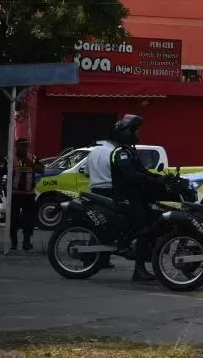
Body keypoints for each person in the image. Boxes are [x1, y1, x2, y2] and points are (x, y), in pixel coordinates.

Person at [109, 115, 164, 282]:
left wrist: (161, 179)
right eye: (134, 130)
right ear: (125, 133)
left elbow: (143, 172)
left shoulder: (130, 151)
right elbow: (132, 176)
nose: (137, 133)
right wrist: (151, 180)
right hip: (126, 198)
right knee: (144, 229)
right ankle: (138, 270)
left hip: (136, 196)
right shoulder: (120, 153)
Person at [85, 140, 116, 269]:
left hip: (94, 191)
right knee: (109, 225)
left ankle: (95, 258)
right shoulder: (113, 153)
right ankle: (99, 258)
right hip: (109, 191)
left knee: (97, 223)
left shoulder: (92, 153)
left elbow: (86, 172)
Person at [9, 138, 42, 252]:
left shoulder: (32, 158)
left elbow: (41, 170)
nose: (24, 148)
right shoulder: (10, 158)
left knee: (29, 220)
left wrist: (30, 163)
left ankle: (26, 243)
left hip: (29, 195)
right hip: (15, 195)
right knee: (13, 220)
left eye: (26, 146)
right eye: (22, 146)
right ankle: (14, 243)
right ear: (16, 147)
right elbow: (0, 172)